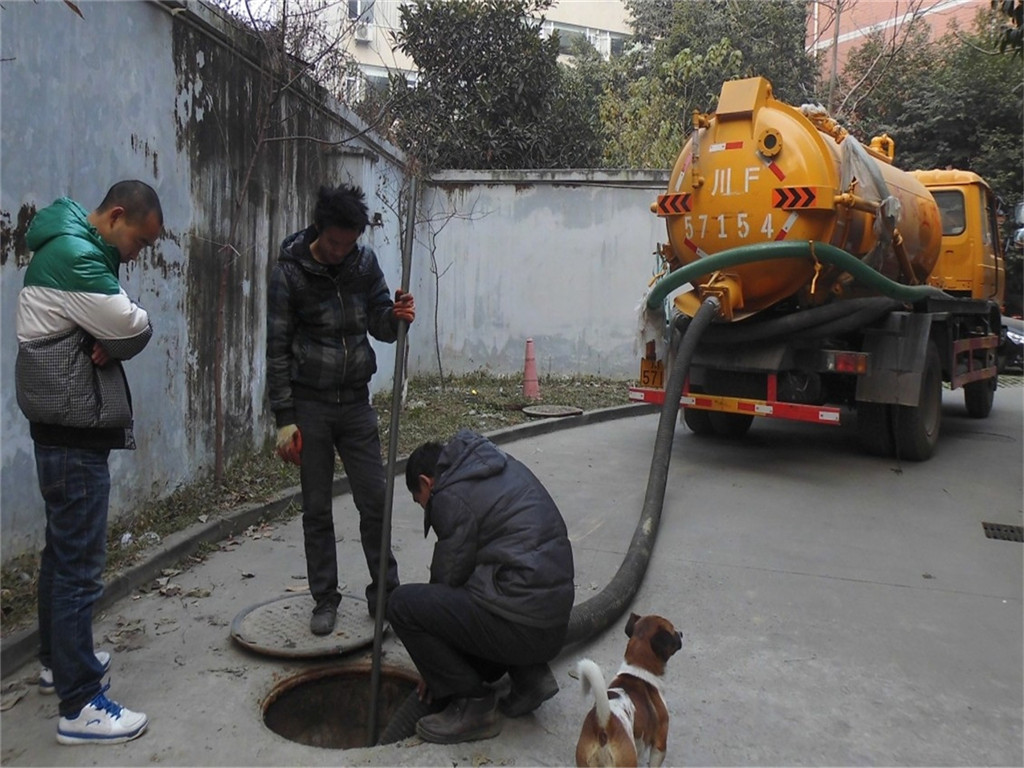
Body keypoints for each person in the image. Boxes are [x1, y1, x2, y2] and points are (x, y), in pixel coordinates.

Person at [15, 180, 163, 745]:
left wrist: (107, 331)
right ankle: (80, 705)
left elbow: (113, 330)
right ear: (118, 216)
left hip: (59, 425)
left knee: (62, 552)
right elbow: (132, 325)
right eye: (140, 243)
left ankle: (59, 660)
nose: (137, 254)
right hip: (73, 430)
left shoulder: (68, 244)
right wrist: (117, 329)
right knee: (79, 566)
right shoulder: (78, 257)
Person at [266, 183, 415, 636]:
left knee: (375, 501)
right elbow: (276, 349)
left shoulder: (363, 263)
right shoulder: (289, 272)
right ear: (319, 228)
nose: (340, 252)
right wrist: (284, 419)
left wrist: (396, 316)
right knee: (316, 508)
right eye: (334, 242)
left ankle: (385, 597)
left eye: (348, 243)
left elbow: (381, 327)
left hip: (355, 403)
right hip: (309, 405)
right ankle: (325, 599)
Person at [388, 429, 575, 744]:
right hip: (552, 623)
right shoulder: (493, 467)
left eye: (418, 500)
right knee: (489, 587)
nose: (424, 507)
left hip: (523, 622)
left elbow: (448, 577)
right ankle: (530, 677)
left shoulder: (449, 494)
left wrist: (435, 667)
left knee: (402, 605)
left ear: (425, 482)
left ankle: (473, 706)